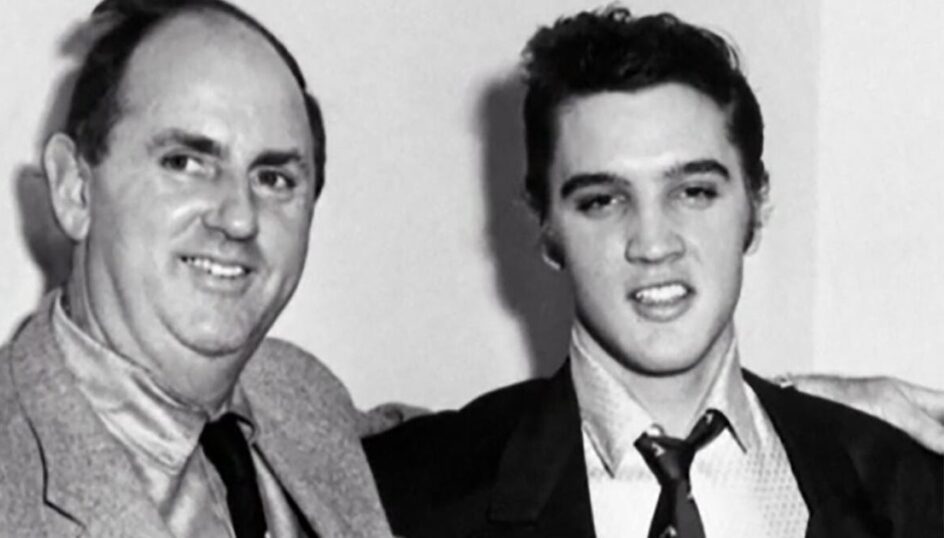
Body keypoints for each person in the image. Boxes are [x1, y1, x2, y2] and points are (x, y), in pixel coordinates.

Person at [364, 7, 944, 538]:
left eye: (693, 192)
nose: (653, 243)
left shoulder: (901, 484)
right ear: (546, 227)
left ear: (756, 204)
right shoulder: (404, 492)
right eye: (602, 201)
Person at [0, 1, 393, 536]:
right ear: (74, 189)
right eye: (185, 163)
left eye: (273, 178)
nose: (239, 218)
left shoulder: (302, 394)